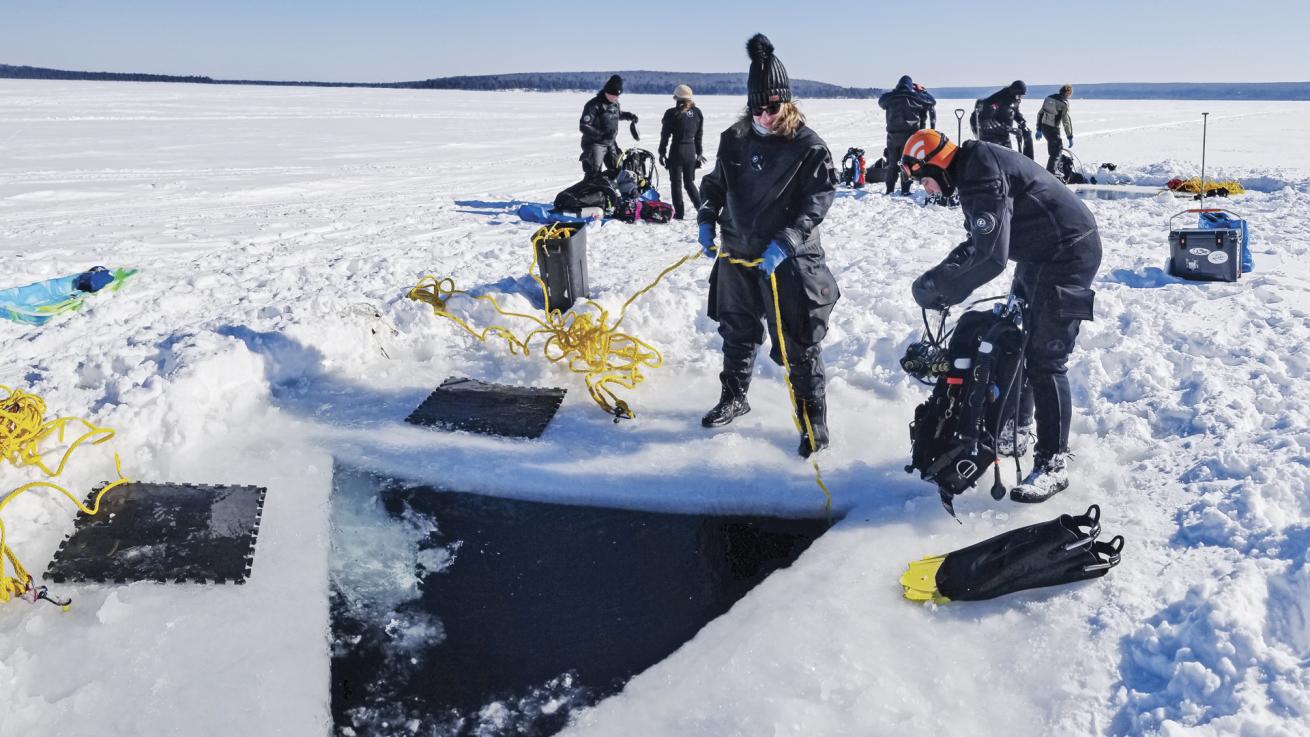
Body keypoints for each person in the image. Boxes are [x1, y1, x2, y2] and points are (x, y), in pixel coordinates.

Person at [901, 129, 1101, 502]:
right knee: (1015, 339)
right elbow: (979, 245)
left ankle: (1053, 464)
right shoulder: (972, 171)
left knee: (1046, 359)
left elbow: (991, 257)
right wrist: (938, 283)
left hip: (1069, 254)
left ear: (936, 165)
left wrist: (943, 288)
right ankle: (1017, 429)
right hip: (1039, 255)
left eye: (923, 179)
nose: (925, 188)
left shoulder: (981, 173)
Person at [697, 33, 841, 458]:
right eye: (756, 107)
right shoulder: (734, 139)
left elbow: (817, 203)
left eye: (772, 106)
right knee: (737, 331)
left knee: (798, 342)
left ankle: (813, 422)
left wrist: (788, 241)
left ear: (788, 103)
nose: (764, 115)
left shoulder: (809, 147)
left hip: (789, 260)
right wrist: (707, 217)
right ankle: (734, 397)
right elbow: (715, 184)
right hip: (737, 253)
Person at [877, 75, 936, 195]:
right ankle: (905, 190)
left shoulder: (891, 97)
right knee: (907, 163)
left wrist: (896, 91)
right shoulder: (916, 97)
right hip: (910, 136)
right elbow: (931, 101)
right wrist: (922, 91)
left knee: (892, 163)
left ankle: (889, 189)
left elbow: (881, 101)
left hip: (892, 136)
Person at [658, 85, 706, 219]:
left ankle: (679, 213)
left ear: (677, 98)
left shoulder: (671, 113)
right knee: (689, 182)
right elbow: (699, 135)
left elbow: (665, 135)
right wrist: (699, 152)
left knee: (676, 184)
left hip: (676, 151)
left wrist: (662, 152)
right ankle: (702, 210)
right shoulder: (697, 113)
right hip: (691, 152)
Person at [579, 74, 638, 177]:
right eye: (613, 95)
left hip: (610, 142)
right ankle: (589, 191)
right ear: (607, 91)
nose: (615, 98)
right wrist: (600, 134)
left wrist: (629, 116)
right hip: (595, 143)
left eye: (617, 96)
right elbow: (584, 125)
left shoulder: (614, 103)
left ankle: (608, 191)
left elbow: (615, 115)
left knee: (617, 170)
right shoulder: (594, 105)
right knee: (594, 173)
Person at [971, 80, 1028, 152]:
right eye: (1018, 96)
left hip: (1003, 133)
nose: (1020, 99)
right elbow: (987, 121)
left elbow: (1014, 111)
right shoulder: (997, 100)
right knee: (995, 154)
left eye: (1021, 96)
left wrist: (1021, 121)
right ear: (1013, 92)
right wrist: (1011, 130)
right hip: (988, 133)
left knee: (1008, 154)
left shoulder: (1015, 99)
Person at [1036, 84, 1075, 175]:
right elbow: (1066, 121)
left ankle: (1053, 171)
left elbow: (1040, 113)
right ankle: (1051, 174)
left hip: (1044, 128)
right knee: (1056, 152)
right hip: (1053, 130)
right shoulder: (1063, 103)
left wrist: (1039, 128)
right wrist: (1070, 136)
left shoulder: (1048, 98)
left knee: (1053, 151)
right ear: (1068, 93)